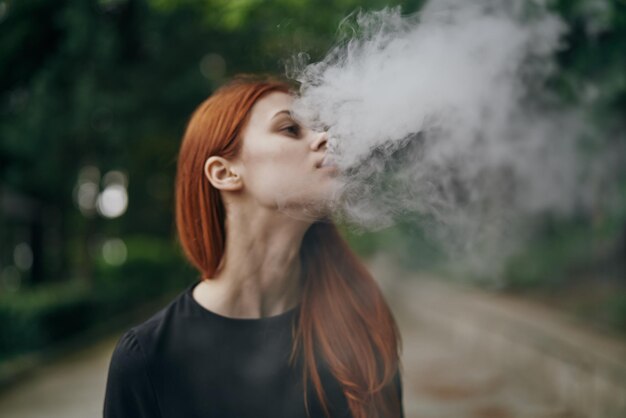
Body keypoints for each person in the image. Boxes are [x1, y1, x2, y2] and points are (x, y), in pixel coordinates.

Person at [103, 75, 404, 418]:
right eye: (291, 129)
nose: (326, 139)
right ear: (225, 173)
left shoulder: (360, 322)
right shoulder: (147, 359)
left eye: (319, 128)